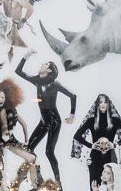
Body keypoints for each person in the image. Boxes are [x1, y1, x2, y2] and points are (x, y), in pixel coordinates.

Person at [14, 55, 77, 184]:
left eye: (45, 64)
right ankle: (37, 180)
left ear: (49, 70)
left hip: (54, 121)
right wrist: (26, 56)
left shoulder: (55, 84)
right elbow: (18, 71)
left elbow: (73, 96)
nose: (42, 64)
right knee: (28, 150)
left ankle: (58, 183)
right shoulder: (37, 80)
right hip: (44, 121)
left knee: (49, 152)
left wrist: (72, 115)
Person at [71, 92, 121, 191]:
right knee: (95, 190)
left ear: (109, 104)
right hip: (95, 158)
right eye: (100, 102)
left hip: (110, 158)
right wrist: (91, 145)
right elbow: (77, 136)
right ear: (97, 105)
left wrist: (114, 144)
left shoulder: (116, 120)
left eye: (105, 102)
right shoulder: (91, 121)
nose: (103, 104)